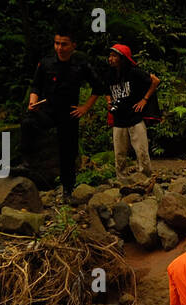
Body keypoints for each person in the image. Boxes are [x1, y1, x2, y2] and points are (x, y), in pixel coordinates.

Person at [27, 24, 103, 199]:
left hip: (69, 113)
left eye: (64, 44)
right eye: (57, 43)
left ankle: (68, 189)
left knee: (68, 151)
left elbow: (98, 86)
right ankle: (27, 164)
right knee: (28, 122)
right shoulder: (46, 62)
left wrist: (85, 108)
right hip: (47, 109)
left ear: (73, 46)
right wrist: (33, 101)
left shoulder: (81, 64)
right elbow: (36, 85)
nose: (59, 48)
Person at [105, 44, 160, 176]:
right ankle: (121, 180)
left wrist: (144, 99)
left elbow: (155, 81)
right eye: (110, 55)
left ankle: (146, 178)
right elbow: (106, 89)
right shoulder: (110, 74)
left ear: (122, 58)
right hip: (119, 119)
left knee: (141, 151)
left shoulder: (134, 72)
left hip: (135, 117)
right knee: (119, 153)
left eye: (114, 56)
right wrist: (109, 100)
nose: (110, 59)